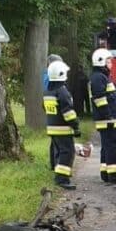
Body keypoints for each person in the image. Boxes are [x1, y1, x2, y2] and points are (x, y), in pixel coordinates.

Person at [90, 48, 116, 184]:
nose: (111, 63)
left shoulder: (102, 77)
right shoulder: (99, 78)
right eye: (108, 61)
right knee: (112, 146)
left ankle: (105, 173)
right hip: (107, 120)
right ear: (101, 62)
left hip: (109, 119)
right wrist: (109, 116)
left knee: (107, 146)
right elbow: (100, 100)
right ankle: (114, 175)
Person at [43, 60, 80, 190]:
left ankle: (59, 174)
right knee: (67, 152)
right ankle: (62, 179)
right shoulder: (62, 91)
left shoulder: (48, 91)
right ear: (61, 74)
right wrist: (75, 126)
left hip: (52, 128)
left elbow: (45, 108)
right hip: (63, 129)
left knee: (58, 152)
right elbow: (68, 112)